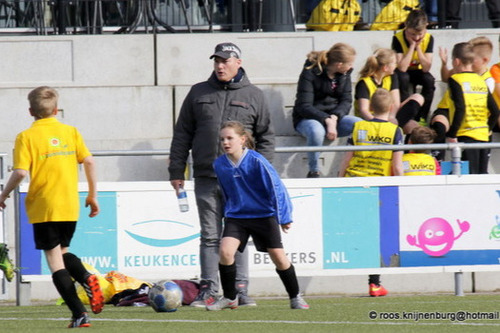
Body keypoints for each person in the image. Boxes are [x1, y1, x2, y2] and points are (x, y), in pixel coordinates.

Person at [168, 42, 274, 308]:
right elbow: (182, 134)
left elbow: (266, 138)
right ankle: (209, 290)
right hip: (206, 176)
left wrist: (262, 174)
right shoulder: (197, 92)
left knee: (237, 237)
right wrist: (176, 169)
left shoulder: (255, 95)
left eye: (225, 61)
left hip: (242, 182)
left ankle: (240, 290)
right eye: (216, 60)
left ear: (238, 62)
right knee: (210, 236)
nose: (219, 65)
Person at [0, 86, 104, 328]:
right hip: (69, 203)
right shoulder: (71, 132)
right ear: (57, 109)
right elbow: (89, 160)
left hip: (44, 205)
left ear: (30, 112)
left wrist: (3, 193)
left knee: (54, 260)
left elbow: (21, 172)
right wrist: (93, 195)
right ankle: (87, 278)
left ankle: (79, 314)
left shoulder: (26, 137)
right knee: (64, 251)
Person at [207, 121, 309, 311]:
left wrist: (284, 216)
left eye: (230, 138)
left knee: (279, 257)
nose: (225, 142)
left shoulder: (257, 161)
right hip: (236, 217)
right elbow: (226, 193)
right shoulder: (220, 164)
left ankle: (295, 296)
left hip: (263, 215)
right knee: (225, 252)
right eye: (222, 139)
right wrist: (226, 214)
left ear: (242, 139)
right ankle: (230, 297)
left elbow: (276, 188)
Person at [339, 88, 404, 296]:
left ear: (369, 108)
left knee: (361, 232)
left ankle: (371, 280)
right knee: (376, 235)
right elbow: (398, 166)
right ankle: (374, 283)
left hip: (354, 182)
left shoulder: (359, 126)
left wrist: (340, 179)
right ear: (391, 107)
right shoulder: (395, 131)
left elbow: (347, 157)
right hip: (379, 186)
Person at [292, 43, 361, 178]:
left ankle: (357, 165)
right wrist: (326, 119)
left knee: (360, 125)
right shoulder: (310, 71)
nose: (352, 67)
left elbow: (346, 101)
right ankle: (314, 170)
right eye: (350, 63)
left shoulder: (345, 74)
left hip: (335, 119)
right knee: (316, 131)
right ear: (339, 64)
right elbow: (304, 106)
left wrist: (334, 117)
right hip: (308, 118)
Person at [430, 42, 499, 174]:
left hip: (466, 134)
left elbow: (460, 108)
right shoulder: (481, 80)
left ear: (456, 61)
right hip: (483, 135)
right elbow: (495, 111)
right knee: (481, 174)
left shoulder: (456, 79)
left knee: (469, 175)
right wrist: (487, 129)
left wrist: (452, 133)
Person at [354, 48, 423, 136]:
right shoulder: (364, 83)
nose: (396, 65)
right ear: (385, 67)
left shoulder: (392, 77)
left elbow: (395, 102)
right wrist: (379, 123)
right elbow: (364, 110)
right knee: (410, 126)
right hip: (372, 118)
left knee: (418, 99)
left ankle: (393, 129)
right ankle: (390, 131)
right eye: (394, 63)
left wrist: (391, 117)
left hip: (388, 115)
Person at [392, 9, 435, 125]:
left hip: (418, 70)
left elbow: (426, 68)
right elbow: (402, 68)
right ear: (406, 26)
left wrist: (419, 48)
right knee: (402, 77)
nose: (416, 38)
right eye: (412, 34)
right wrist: (412, 47)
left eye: (420, 34)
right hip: (404, 71)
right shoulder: (398, 38)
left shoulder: (429, 38)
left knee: (429, 80)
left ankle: (422, 116)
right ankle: (406, 114)